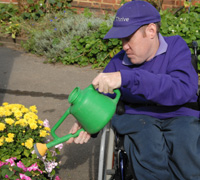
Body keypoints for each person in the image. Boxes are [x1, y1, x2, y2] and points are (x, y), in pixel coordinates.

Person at [67, 1, 200, 179]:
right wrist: (87, 119)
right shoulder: (117, 62)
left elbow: (183, 88)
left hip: (179, 113)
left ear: (151, 31)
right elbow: (101, 98)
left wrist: (127, 78)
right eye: (121, 40)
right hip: (137, 117)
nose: (124, 46)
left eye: (128, 38)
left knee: (187, 151)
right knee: (148, 150)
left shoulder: (176, 47)